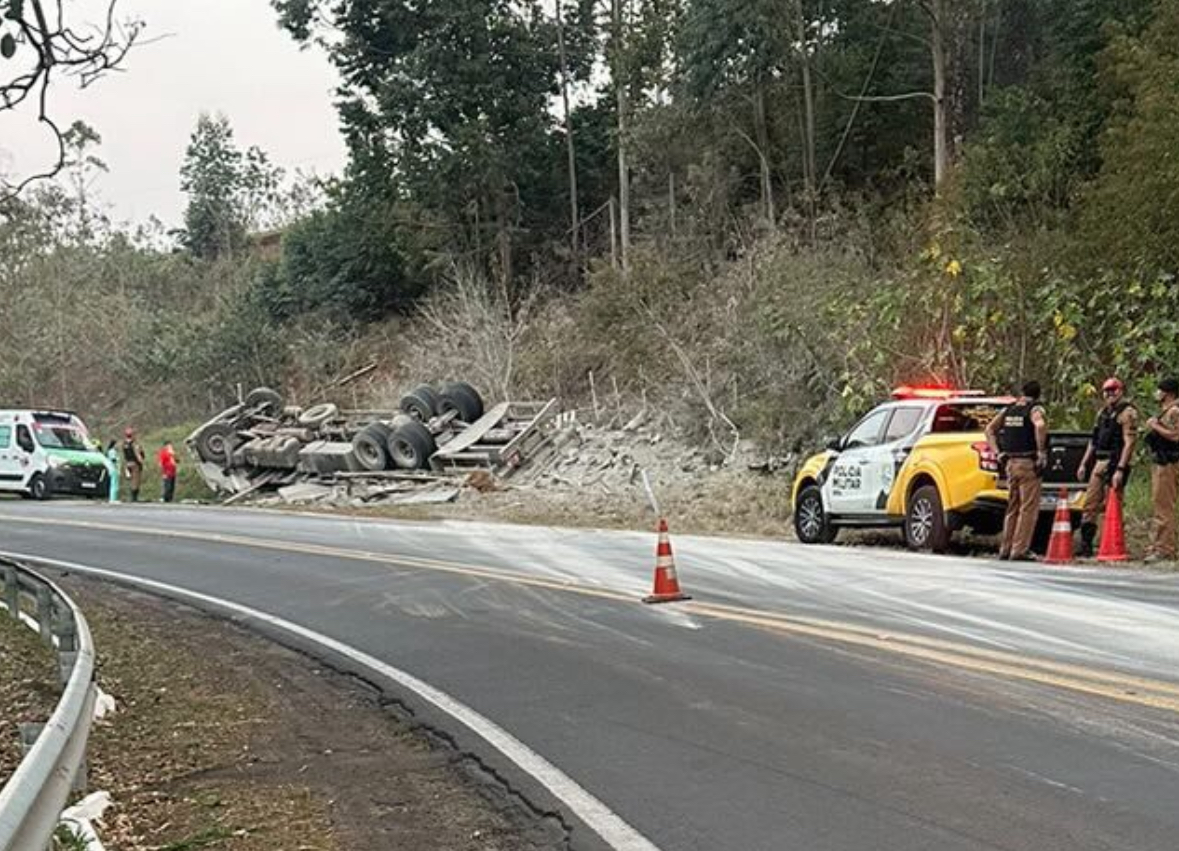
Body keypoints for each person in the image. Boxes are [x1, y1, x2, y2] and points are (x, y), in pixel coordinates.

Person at [986, 381, 1048, 562]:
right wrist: (1041, 452)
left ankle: (1005, 548)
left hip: (1010, 464)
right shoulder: (1035, 409)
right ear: (1038, 395)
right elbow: (1040, 425)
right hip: (1027, 463)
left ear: (1022, 392)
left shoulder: (1009, 409)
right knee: (1028, 508)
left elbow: (989, 429)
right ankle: (1020, 550)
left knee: (1012, 507)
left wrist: (998, 453)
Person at [1076, 378, 1138, 557]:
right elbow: (1094, 441)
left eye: (1113, 390)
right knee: (1090, 504)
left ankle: (1112, 544)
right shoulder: (1102, 413)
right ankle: (1086, 544)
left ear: (1120, 391)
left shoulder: (1127, 413)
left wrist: (1120, 468)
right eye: (1106, 391)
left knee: (1113, 504)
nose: (1110, 394)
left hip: (1115, 460)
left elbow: (1129, 442)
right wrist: (1083, 462)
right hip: (1100, 460)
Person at [1144, 378, 1179, 563]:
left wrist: (1155, 426)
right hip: (1161, 463)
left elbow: (1176, 435)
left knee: (1164, 507)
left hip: (1169, 464)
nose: (1157, 393)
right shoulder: (1167, 411)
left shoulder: (1174, 411)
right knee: (1160, 504)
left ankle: (1165, 548)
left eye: (1160, 390)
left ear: (1168, 393)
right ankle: (1159, 544)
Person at [122, 428, 146, 502]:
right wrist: (141, 462)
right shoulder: (134, 444)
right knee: (136, 480)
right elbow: (138, 454)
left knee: (130, 480)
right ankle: (134, 497)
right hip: (135, 464)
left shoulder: (124, 444)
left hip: (128, 463)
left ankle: (130, 495)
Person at [104, 439, 121, 504]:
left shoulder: (113, 451)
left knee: (115, 484)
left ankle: (115, 498)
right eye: (117, 444)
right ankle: (112, 498)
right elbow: (113, 459)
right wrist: (117, 459)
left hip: (114, 469)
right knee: (114, 484)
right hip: (113, 469)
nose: (118, 446)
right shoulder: (112, 451)